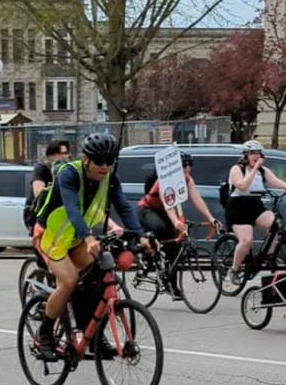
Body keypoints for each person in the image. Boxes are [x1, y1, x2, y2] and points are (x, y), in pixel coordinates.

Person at [32, 132, 152, 360]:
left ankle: (93, 336)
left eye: (109, 161)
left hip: (77, 239)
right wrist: (88, 238)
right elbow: (72, 209)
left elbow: (124, 207)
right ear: (86, 159)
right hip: (51, 237)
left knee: (99, 280)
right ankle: (46, 332)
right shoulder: (69, 174)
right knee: (69, 281)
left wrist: (141, 236)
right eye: (99, 161)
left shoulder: (110, 178)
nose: (105, 167)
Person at [137, 153, 222, 295]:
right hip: (149, 210)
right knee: (160, 228)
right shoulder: (165, 180)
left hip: (167, 213)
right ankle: (146, 258)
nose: (187, 168)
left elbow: (197, 200)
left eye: (189, 165)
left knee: (175, 249)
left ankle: (172, 285)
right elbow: (168, 204)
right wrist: (176, 222)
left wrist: (211, 218)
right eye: (183, 165)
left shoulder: (188, 180)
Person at [223, 140, 286, 289]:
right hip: (238, 207)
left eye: (259, 154)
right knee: (246, 241)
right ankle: (234, 270)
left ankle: (270, 256)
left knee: (276, 224)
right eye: (253, 154)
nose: (256, 156)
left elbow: (274, 181)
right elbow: (242, 186)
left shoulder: (263, 171)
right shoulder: (237, 169)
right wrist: (255, 167)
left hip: (255, 205)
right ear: (246, 156)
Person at [23, 140, 70, 233]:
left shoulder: (67, 170)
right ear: (51, 155)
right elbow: (39, 194)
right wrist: (54, 178)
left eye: (66, 153)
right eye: (60, 153)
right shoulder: (42, 169)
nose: (64, 156)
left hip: (59, 214)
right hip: (40, 213)